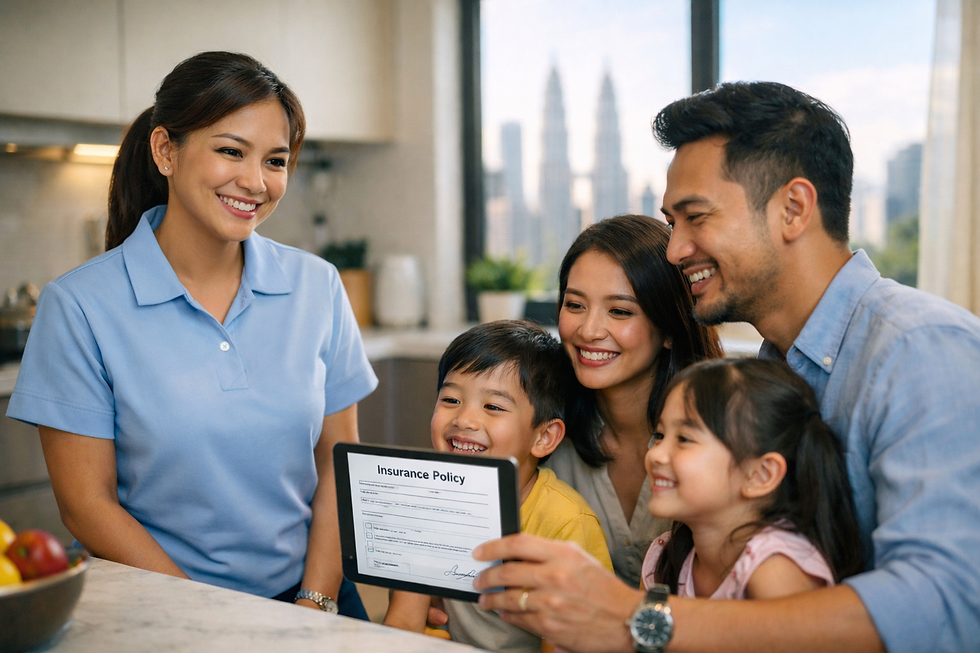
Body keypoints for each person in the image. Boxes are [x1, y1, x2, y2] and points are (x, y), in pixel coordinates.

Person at [470, 81, 980, 653]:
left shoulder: (920, 347)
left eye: (695, 218)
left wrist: (638, 620)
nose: (673, 250)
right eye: (672, 222)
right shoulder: (770, 373)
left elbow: (948, 604)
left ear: (793, 209)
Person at [6, 52, 378, 618]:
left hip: (312, 599)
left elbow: (338, 463)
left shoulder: (317, 286)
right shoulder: (79, 307)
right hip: (161, 608)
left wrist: (316, 599)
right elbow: (87, 506)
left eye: (275, 160)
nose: (255, 182)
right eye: (230, 151)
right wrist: (211, 618)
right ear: (165, 151)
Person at [383, 320, 613, 652]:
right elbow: (402, 624)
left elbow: (567, 642)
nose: (464, 420)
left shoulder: (565, 524)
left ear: (544, 437)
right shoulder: (425, 507)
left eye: (493, 406)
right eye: (450, 400)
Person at [547, 215, 723, 587]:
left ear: (670, 330)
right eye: (575, 305)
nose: (589, 330)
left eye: (620, 311)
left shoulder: (723, 437)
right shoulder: (545, 431)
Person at [643, 357, 863, 599]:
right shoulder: (664, 560)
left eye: (684, 439)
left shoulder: (776, 570)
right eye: (661, 435)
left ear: (760, 475)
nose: (655, 454)